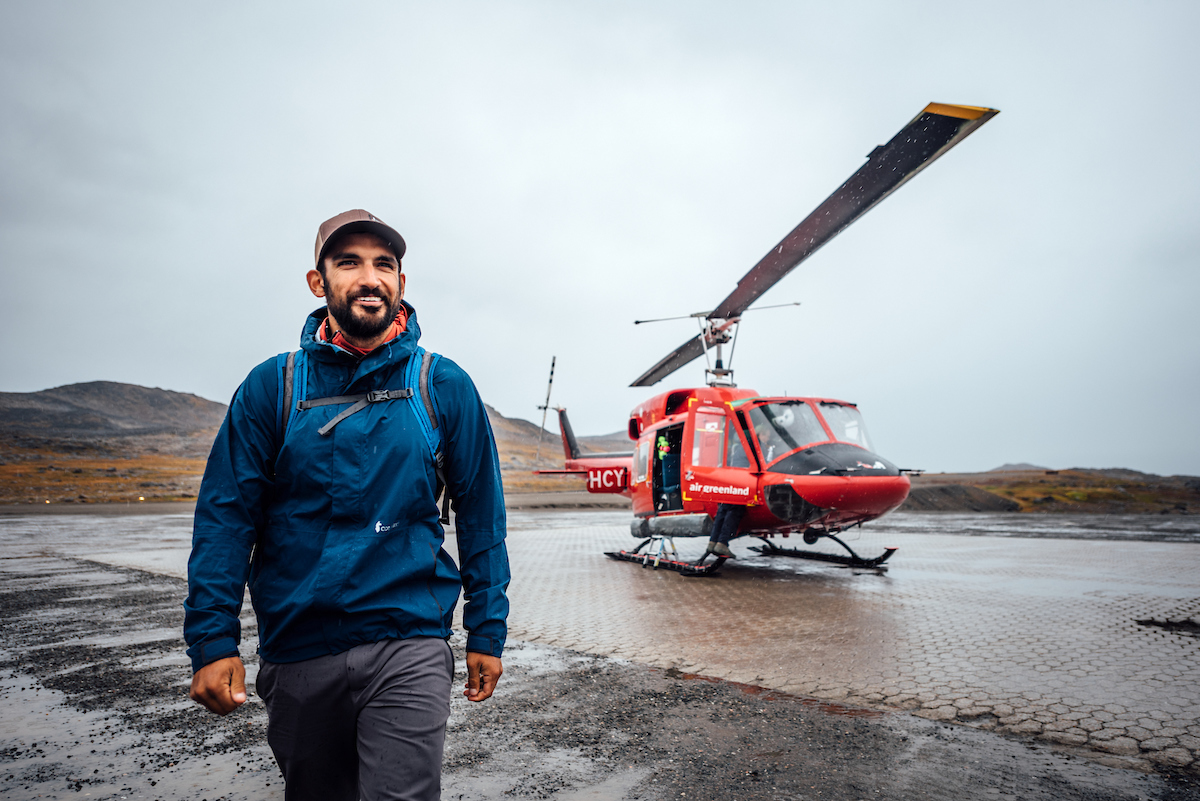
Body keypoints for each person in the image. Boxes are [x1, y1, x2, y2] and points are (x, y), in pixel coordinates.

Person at [184, 209, 510, 801]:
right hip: (299, 648)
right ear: (319, 282)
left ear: (401, 283)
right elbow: (226, 520)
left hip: (408, 639)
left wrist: (486, 630)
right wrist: (213, 642)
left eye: (384, 264)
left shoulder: (442, 385)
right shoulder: (272, 387)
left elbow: (481, 514)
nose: (369, 277)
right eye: (349, 263)